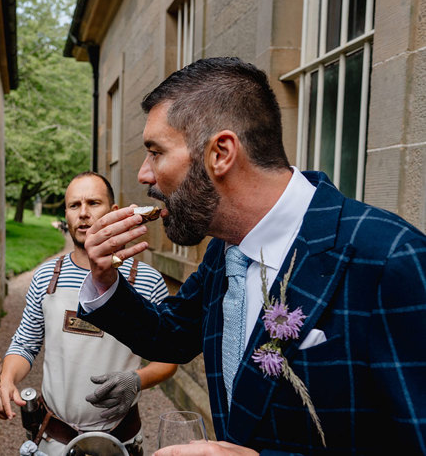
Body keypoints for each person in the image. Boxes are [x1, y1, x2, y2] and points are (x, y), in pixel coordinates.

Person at [76, 57, 426, 455]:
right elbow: (170, 337)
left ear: (221, 153)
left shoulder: (390, 258)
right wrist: (103, 279)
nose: (143, 174)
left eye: (155, 152)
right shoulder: (225, 248)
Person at [0, 172, 177, 455]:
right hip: (54, 439)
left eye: (93, 203)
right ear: (66, 214)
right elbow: (26, 344)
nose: (84, 213)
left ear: (113, 212)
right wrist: (6, 380)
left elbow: (168, 357)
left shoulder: (146, 280)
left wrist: (137, 380)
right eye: (74, 205)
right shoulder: (46, 277)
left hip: (119, 440)